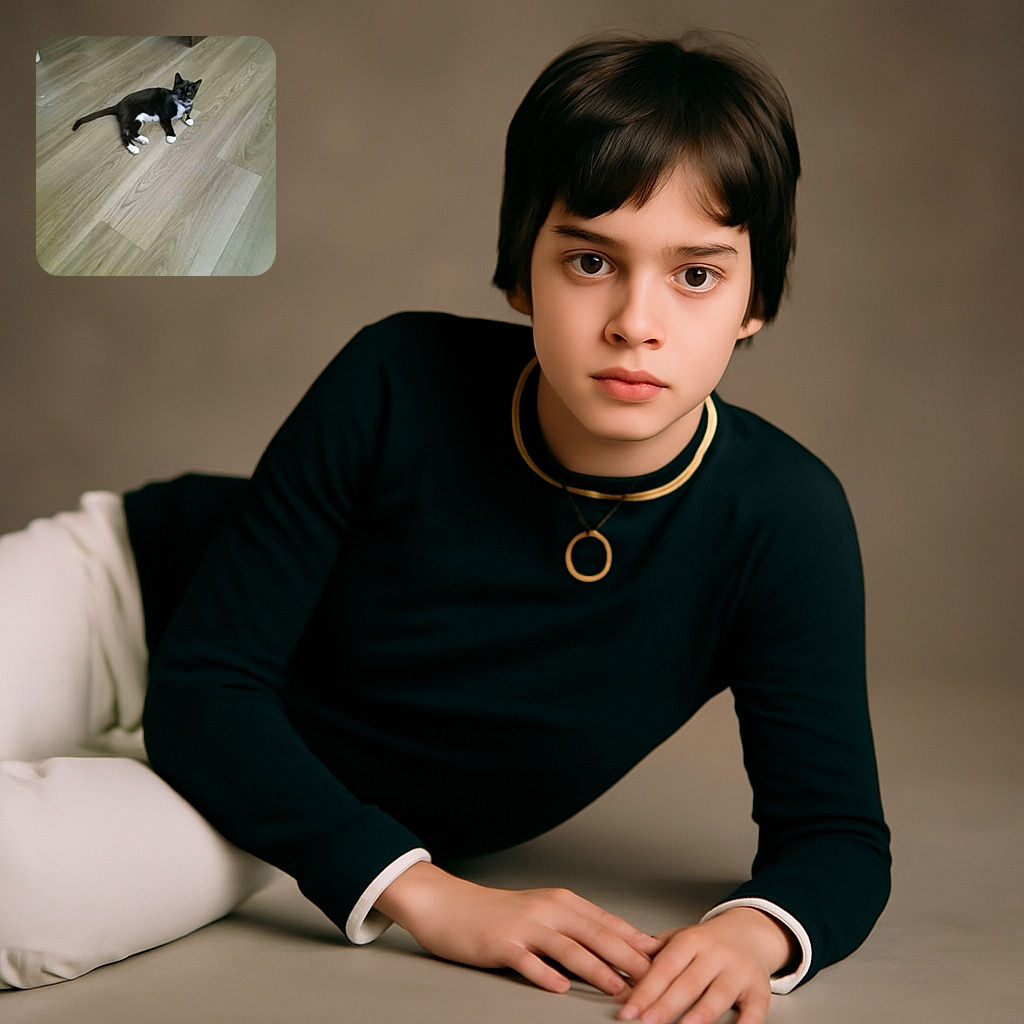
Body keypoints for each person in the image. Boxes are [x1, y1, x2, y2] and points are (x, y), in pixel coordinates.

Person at [0, 33, 889, 1024]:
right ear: (522, 272)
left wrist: (749, 932)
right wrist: (430, 898)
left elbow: (834, 833)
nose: (636, 320)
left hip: (289, 782)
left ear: (754, 299)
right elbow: (207, 682)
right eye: (590, 259)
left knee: (21, 890)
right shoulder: (396, 377)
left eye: (695, 275)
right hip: (131, 605)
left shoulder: (783, 521)